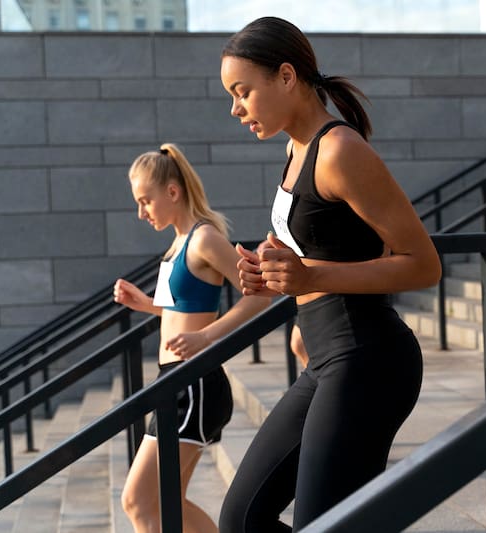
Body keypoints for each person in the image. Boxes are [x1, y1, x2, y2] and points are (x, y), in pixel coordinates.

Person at [217, 16, 442, 531]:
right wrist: (269, 269)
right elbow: (316, 248)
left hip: (368, 361)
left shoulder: (340, 151)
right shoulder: (294, 149)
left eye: (242, 91)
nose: (235, 108)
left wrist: (309, 277)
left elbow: (423, 264)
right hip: (325, 357)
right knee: (241, 518)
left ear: (287, 77)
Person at [113, 143, 271, 532]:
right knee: (167, 505)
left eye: (145, 201)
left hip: (195, 385)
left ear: (172, 192)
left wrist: (206, 338)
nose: (141, 212)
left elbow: (263, 296)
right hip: (174, 382)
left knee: (138, 501)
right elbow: (178, 309)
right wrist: (145, 304)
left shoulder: (204, 239)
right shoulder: (176, 246)